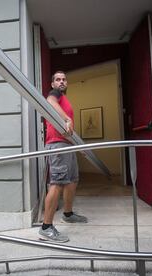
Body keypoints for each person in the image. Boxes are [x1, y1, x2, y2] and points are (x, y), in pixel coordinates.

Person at [39, 71, 87, 243]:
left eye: (64, 79)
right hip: (57, 145)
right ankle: (46, 227)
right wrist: (67, 118)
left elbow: (69, 130)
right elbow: (49, 101)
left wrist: (77, 144)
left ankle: (67, 214)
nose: (61, 82)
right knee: (57, 183)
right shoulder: (55, 95)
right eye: (57, 79)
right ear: (53, 84)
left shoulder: (64, 100)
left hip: (67, 144)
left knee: (72, 180)